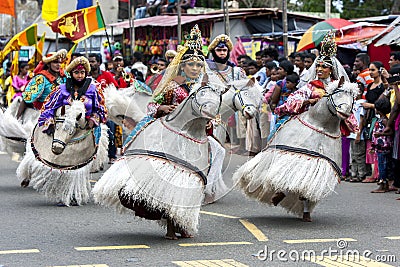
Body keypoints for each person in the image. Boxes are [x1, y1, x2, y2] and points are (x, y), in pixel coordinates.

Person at [122, 24, 208, 239]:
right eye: (191, 64)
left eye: (199, 64)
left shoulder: (204, 89)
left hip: (195, 138)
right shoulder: (171, 86)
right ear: (183, 66)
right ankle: (170, 224)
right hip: (168, 136)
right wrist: (162, 108)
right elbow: (151, 106)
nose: (195, 68)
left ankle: (184, 222)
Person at [271, 32, 356, 222]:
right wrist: (308, 100)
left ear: (331, 70)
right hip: (308, 130)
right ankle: (284, 190)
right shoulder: (311, 86)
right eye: (318, 65)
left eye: (324, 66)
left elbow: (348, 110)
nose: (319, 69)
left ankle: (307, 209)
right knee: (297, 164)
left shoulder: (341, 89)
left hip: (328, 136)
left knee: (317, 174)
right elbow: (293, 100)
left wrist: (348, 119)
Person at [35, 56, 107, 206]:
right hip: (63, 133)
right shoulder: (61, 90)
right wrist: (49, 121)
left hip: (84, 132)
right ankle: (63, 193)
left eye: (82, 72)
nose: (79, 75)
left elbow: (101, 109)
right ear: (71, 73)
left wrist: (93, 119)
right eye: (76, 72)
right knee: (63, 164)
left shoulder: (93, 89)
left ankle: (76, 193)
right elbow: (48, 107)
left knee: (78, 169)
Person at [206, 34, 247, 154]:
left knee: (219, 141)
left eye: (225, 50)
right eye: (219, 50)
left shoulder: (236, 70)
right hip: (208, 109)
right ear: (213, 52)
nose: (222, 53)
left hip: (225, 111)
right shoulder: (205, 68)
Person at [17, 49, 67, 118]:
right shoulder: (40, 78)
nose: (58, 65)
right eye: (55, 62)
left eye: (59, 62)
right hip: (44, 113)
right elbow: (27, 98)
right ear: (48, 64)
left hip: (64, 111)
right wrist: (17, 119)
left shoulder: (65, 75)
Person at [370, 97, 393, 193]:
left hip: (384, 147)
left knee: (382, 165)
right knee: (382, 165)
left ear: (378, 109)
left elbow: (391, 132)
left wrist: (381, 134)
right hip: (379, 147)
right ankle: (385, 184)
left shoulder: (384, 120)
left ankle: (383, 185)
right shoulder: (380, 119)